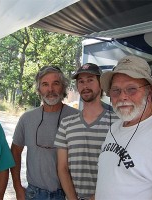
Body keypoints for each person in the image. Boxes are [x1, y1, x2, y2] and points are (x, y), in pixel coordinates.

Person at [11, 66, 79, 200]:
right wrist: (17, 187)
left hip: (68, 194)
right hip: (34, 194)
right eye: (45, 84)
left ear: (63, 87)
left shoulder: (77, 117)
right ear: (39, 89)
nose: (50, 89)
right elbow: (14, 152)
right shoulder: (27, 118)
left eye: (56, 83)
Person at [54, 63, 118, 200]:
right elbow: (62, 168)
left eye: (90, 80)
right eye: (81, 81)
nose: (85, 85)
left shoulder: (117, 123)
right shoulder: (66, 124)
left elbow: (119, 169)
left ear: (101, 84)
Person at [95, 55, 152, 200]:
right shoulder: (114, 128)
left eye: (131, 89)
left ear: (150, 93)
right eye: (116, 90)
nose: (122, 97)